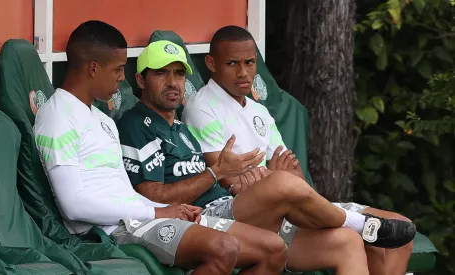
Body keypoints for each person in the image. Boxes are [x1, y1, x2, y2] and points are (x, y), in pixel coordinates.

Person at [117, 39, 414, 274]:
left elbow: (233, 178)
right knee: (283, 184)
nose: (172, 82)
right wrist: (218, 172)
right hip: (200, 219)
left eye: (179, 74)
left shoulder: (181, 129)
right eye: (161, 73)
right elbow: (151, 194)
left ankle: (357, 228)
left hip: (229, 206)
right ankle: (360, 224)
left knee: (346, 243)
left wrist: (236, 183)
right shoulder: (135, 125)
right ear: (140, 81)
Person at [33, 20, 290, 275]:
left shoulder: (100, 119)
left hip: (139, 215)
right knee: (224, 248)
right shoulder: (58, 117)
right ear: (93, 68)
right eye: (118, 69)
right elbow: (74, 206)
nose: (122, 77)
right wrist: (155, 211)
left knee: (274, 248)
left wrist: (174, 210)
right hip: (110, 228)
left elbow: (121, 189)